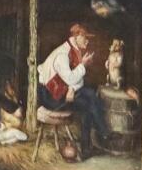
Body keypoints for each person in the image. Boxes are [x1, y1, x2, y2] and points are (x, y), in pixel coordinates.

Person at [36, 21, 112, 159]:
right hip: (50, 97)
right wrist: (82, 65)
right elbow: (72, 78)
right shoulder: (63, 54)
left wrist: (72, 88)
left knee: (90, 94)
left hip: (61, 91)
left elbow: (77, 81)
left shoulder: (74, 51)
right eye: (85, 38)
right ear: (77, 36)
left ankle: (99, 135)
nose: (88, 42)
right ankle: (94, 140)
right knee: (88, 105)